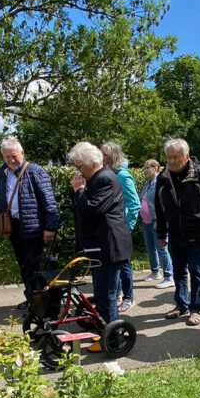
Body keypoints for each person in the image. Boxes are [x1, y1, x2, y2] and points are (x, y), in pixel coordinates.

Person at [68, 142, 133, 353]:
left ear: (91, 162)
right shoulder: (95, 178)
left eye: (79, 165)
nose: (78, 170)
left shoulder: (105, 178)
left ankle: (113, 338)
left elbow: (92, 209)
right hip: (100, 246)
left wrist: (79, 191)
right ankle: (104, 330)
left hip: (110, 247)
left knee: (107, 294)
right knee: (102, 292)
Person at [155, 138, 200, 326]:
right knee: (178, 271)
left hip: (198, 233)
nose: (172, 161)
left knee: (196, 271)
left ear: (185, 157)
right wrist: (161, 232)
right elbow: (159, 208)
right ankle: (181, 305)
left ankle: (196, 309)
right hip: (175, 234)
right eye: (169, 158)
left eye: (176, 157)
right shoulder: (163, 178)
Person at [0, 137, 59, 305]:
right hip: (13, 226)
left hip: (33, 226)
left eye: (14, 156)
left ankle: (40, 301)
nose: (11, 160)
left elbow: (49, 201)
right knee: (23, 264)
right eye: (7, 157)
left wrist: (50, 227)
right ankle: (31, 297)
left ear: (22, 153)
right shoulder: (2, 173)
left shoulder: (35, 171)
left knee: (33, 265)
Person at [101, 142, 140, 312]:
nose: (99, 157)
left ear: (111, 156)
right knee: (113, 261)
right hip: (110, 228)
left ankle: (128, 297)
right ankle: (117, 293)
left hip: (120, 229)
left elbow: (134, 204)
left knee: (123, 264)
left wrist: (126, 227)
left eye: (103, 154)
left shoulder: (123, 176)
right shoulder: (106, 174)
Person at [138, 159, 174, 289]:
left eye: (147, 168)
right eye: (144, 168)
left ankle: (169, 276)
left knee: (162, 249)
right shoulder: (147, 184)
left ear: (155, 168)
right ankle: (155, 272)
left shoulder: (160, 182)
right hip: (146, 221)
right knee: (150, 248)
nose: (145, 170)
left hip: (156, 221)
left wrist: (160, 221)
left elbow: (164, 204)